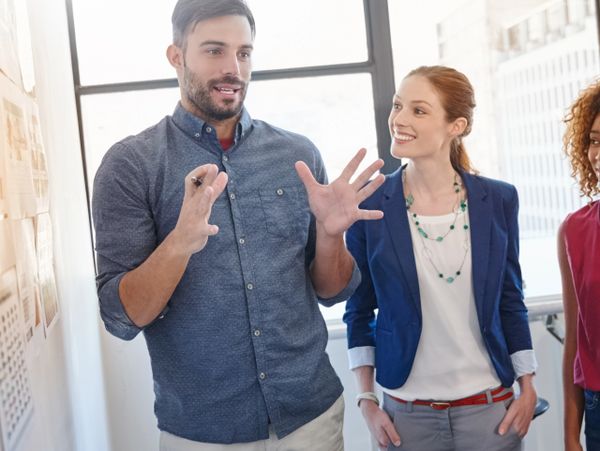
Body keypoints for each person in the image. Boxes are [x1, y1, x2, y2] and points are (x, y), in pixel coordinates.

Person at [91, 0, 385, 449]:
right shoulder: (131, 165)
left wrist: (331, 235)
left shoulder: (298, 155)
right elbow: (123, 317)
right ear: (176, 56)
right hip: (203, 432)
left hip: (311, 418)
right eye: (214, 51)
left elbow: (331, 291)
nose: (233, 68)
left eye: (243, 53)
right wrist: (180, 244)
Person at [343, 65, 538, 451]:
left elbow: (510, 300)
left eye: (418, 110)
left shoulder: (498, 200)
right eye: (398, 106)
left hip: (490, 411)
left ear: (456, 125)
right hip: (406, 416)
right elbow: (359, 310)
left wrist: (528, 386)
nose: (398, 119)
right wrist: (366, 400)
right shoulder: (368, 203)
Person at [558, 80, 600, 451]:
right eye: (595, 140)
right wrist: (571, 437)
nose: (597, 153)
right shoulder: (574, 229)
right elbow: (574, 342)